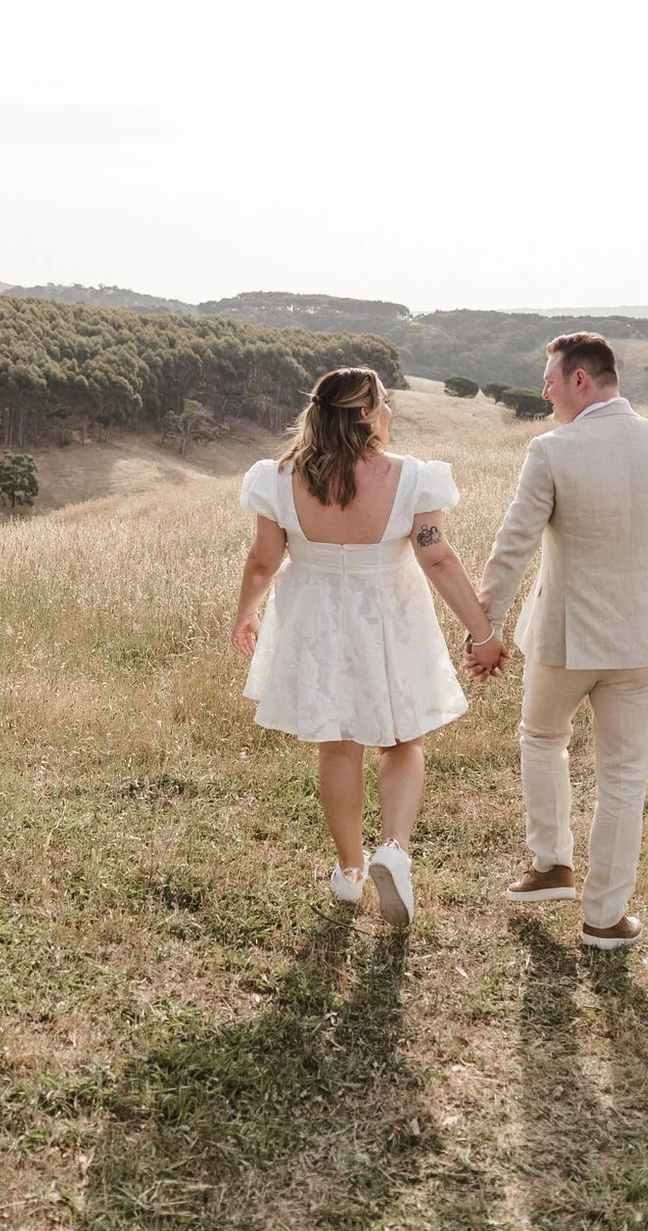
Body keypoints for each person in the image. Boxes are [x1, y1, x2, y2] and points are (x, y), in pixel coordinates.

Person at [231, 366, 498, 929]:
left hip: (315, 619)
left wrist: (246, 612)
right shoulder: (412, 477)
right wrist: (483, 631)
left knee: (338, 745)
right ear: (370, 413)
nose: (391, 413)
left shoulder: (279, 477)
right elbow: (437, 556)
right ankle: (394, 850)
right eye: (386, 404)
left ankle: (350, 872)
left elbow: (263, 558)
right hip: (391, 614)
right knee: (403, 738)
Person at [472, 332, 648, 951]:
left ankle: (551, 863)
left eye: (549, 381)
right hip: (644, 638)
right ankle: (604, 918)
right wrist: (646, 603)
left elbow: (513, 544)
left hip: (564, 636)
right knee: (625, 776)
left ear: (580, 380)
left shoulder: (552, 450)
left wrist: (484, 626)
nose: (544, 392)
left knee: (542, 738)